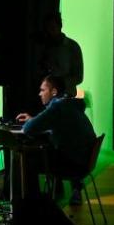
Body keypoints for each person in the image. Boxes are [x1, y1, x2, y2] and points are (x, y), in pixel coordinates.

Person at [16, 75, 96, 206]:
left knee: (26, 159)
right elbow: (59, 126)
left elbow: (28, 129)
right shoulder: (71, 104)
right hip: (85, 162)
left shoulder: (57, 107)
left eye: (43, 90)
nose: (39, 93)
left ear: (53, 92)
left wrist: (33, 121)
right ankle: (52, 196)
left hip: (74, 165)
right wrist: (35, 120)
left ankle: (31, 205)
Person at [40, 12, 84, 89]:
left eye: (52, 28)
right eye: (47, 29)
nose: (50, 32)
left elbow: (79, 77)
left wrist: (58, 83)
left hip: (65, 96)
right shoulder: (44, 47)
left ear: (60, 26)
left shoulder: (73, 47)